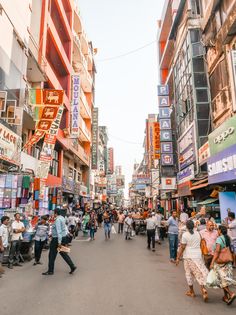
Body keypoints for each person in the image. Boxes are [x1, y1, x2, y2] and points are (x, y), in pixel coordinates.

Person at [176, 220, 209, 302]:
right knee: (199, 272)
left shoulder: (185, 235)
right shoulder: (198, 233)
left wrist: (178, 258)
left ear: (186, 227)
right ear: (194, 226)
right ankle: (203, 290)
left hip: (188, 256)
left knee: (188, 273)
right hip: (198, 255)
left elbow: (182, 247)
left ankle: (192, 291)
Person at [42, 209, 77, 276]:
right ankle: (72, 266)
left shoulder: (58, 220)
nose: (53, 214)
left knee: (52, 255)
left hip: (57, 239)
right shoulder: (62, 218)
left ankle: (50, 271)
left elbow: (59, 231)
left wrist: (59, 242)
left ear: (55, 213)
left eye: (53, 213)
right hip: (62, 238)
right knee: (63, 253)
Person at [210, 225, 236, 305]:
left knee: (221, 279)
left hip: (220, 262)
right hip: (227, 261)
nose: (217, 231)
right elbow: (232, 249)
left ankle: (231, 293)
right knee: (225, 279)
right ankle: (226, 297)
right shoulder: (228, 238)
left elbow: (217, 252)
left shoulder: (219, 239)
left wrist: (212, 262)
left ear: (220, 231)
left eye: (218, 230)